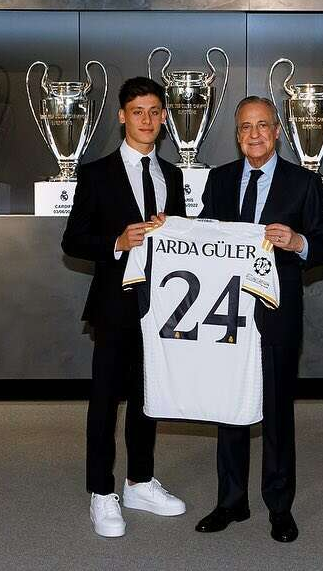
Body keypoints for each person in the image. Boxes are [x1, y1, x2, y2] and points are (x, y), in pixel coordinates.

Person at [195, 95, 323, 542]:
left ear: (277, 132)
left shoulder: (304, 183)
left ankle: (279, 507)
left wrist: (298, 242)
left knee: (276, 413)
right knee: (229, 408)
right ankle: (231, 502)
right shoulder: (219, 180)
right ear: (237, 135)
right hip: (227, 316)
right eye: (245, 127)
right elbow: (201, 238)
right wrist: (168, 231)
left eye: (262, 126)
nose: (254, 134)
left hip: (277, 315)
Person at [61, 76, 188, 538]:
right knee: (105, 401)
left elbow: (183, 242)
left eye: (155, 112)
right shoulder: (96, 173)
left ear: (164, 117)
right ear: (122, 116)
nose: (147, 120)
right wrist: (117, 241)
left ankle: (139, 482)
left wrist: (174, 229)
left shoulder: (173, 175)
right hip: (114, 305)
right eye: (138, 112)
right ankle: (101, 491)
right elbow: (73, 240)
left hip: (161, 307)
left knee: (148, 399)